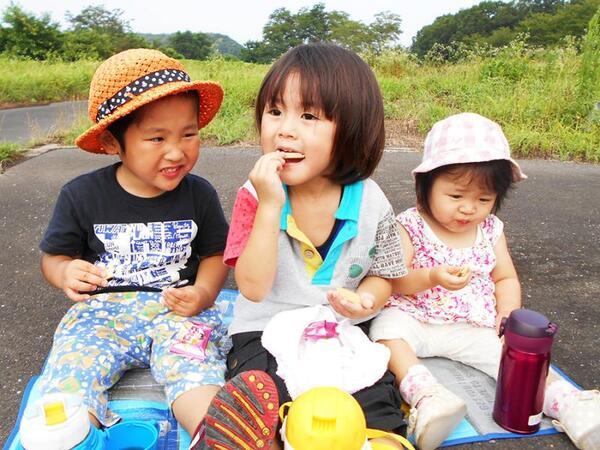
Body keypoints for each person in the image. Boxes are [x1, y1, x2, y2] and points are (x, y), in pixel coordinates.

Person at [199, 42, 409, 449]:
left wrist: (366, 300)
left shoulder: (370, 200)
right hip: (264, 330)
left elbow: (385, 273)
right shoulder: (254, 195)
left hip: (342, 332)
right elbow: (253, 288)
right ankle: (256, 435)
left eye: (308, 116)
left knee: (373, 393)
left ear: (352, 127)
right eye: (275, 111)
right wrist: (270, 205)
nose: (284, 129)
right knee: (263, 389)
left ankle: (381, 441)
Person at [369, 112, 600, 450]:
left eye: (483, 199)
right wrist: (432, 276)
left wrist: (507, 317)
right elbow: (396, 281)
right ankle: (428, 397)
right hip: (414, 317)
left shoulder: (490, 230)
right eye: (456, 196)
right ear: (426, 186)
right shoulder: (410, 224)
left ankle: (570, 405)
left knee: (512, 357)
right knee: (384, 333)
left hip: (470, 325)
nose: (468, 209)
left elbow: (505, 276)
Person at [36, 48, 232, 436]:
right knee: (74, 368)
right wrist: (65, 272)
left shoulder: (199, 194)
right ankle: (68, 436)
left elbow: (215, 254)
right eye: (156, 138)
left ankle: (215, 434)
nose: (177, 151)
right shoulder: (81, 195)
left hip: (177, 312)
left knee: (195, 365)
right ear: (112, 142)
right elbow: (54, 257)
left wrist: (204, 293)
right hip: (102, 316)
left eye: (189, 134)